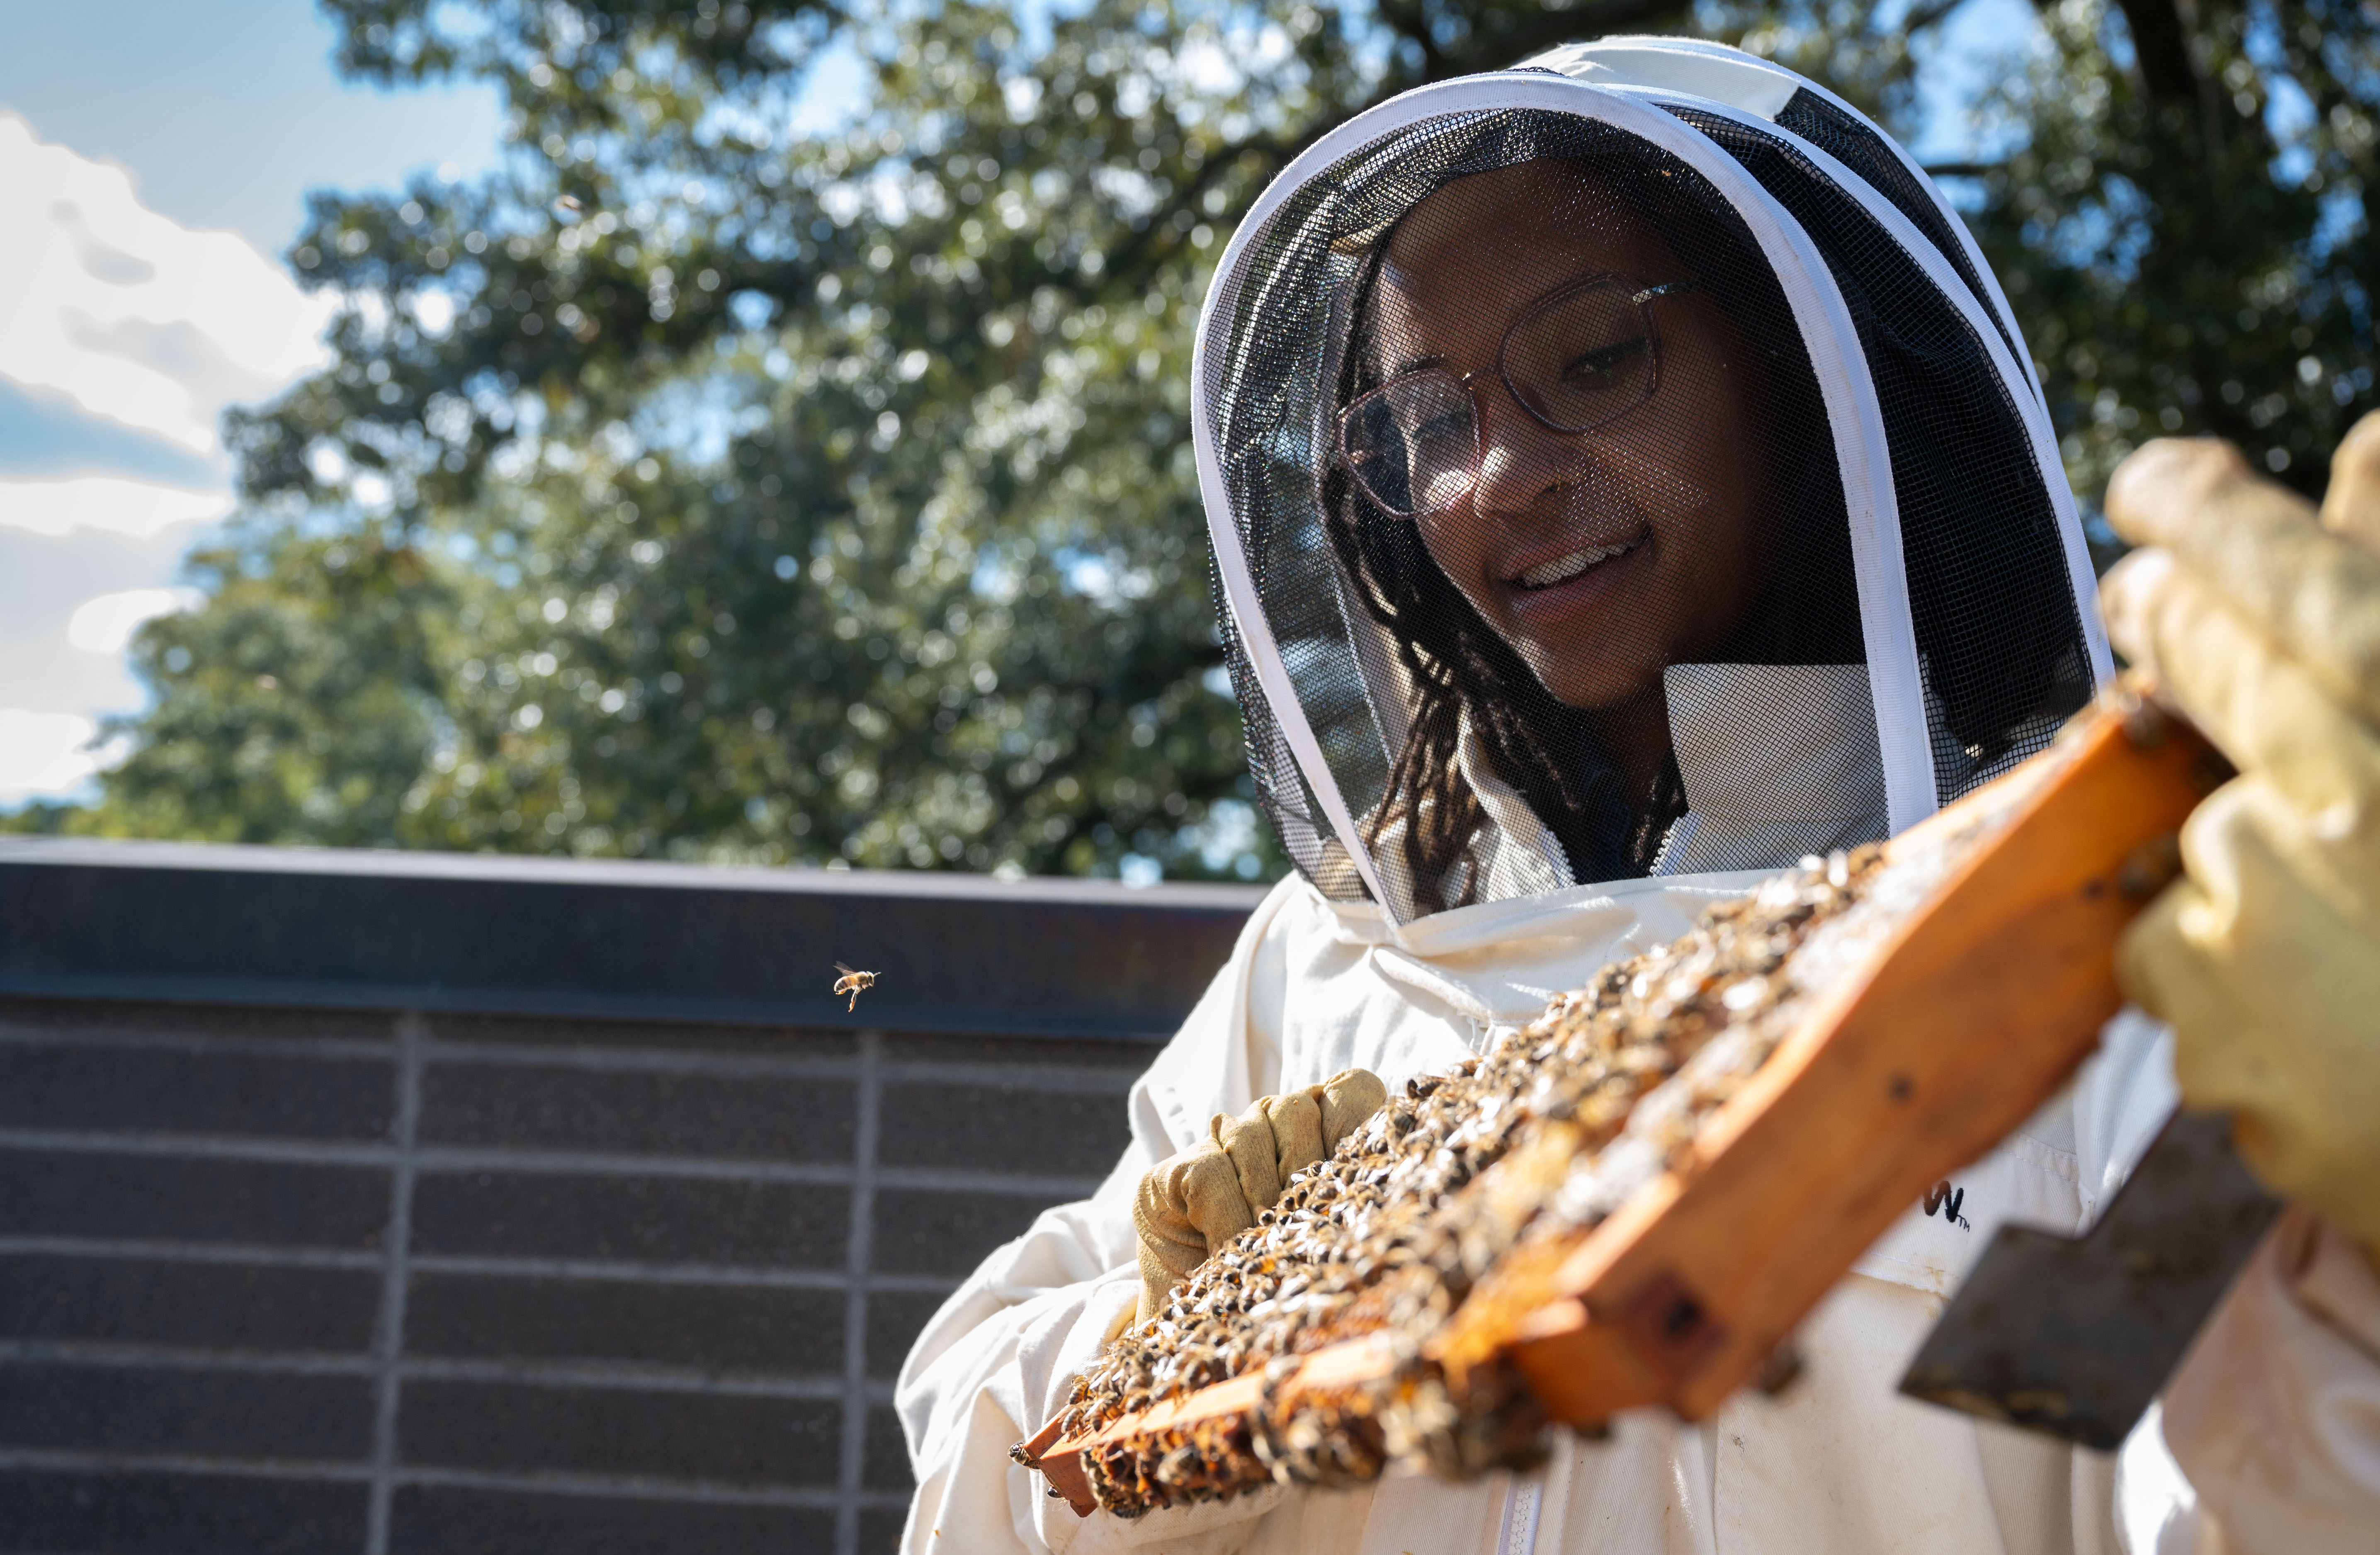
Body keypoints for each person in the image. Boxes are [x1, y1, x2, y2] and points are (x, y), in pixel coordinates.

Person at [896, 36, 2380, 1554]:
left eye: (1594, 359)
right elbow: (967, 1473)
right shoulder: (1327, 967)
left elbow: (2150, 1487)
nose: (1487, 483)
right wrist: (1180, 1338)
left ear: (1812, 379)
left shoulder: (2081, 960)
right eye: (1422, 422)